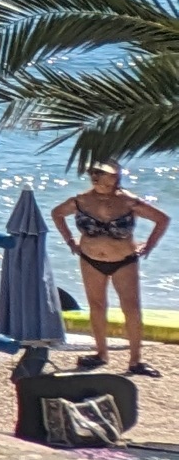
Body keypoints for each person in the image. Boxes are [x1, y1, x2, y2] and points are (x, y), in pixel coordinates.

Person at [53, 159, 170, 375]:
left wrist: (149, 245)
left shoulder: (129, 202)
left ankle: (135, 361)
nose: (95, 176)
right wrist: (70, 241)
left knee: (131, 308)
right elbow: (57, 213)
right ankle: (101, 354)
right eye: (93, 172)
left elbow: (162, 219)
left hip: (123, 261)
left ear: (115, 177)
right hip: (90, 260)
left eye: (101, 173)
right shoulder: (81, 200)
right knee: (97, 306)